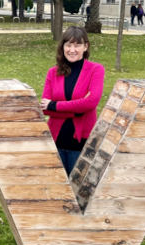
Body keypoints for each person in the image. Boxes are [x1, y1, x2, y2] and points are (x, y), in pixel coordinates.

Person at [40, 26, 104, 175]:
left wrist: (55, 105)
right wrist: (77, 112)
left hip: (81, 144)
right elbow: (45, 108)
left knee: (78, 191)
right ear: (63, 47)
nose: (72, 50)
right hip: (56, 141)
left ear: (85, 47)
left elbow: (91, 102)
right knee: (57, 188)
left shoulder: (96, 70)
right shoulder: (53, 72)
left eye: (77, 45)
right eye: (68, 45)